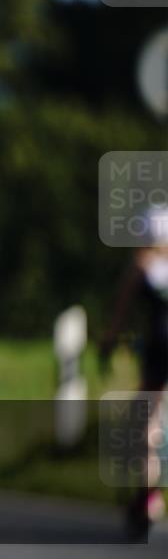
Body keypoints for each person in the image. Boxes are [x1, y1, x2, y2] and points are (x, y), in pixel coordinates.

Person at [99, 204, 168, 536]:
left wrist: (108, 342)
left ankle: (148, 497)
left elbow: (121, 310)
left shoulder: (143, 266)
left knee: (147, 427)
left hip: (158, 353)